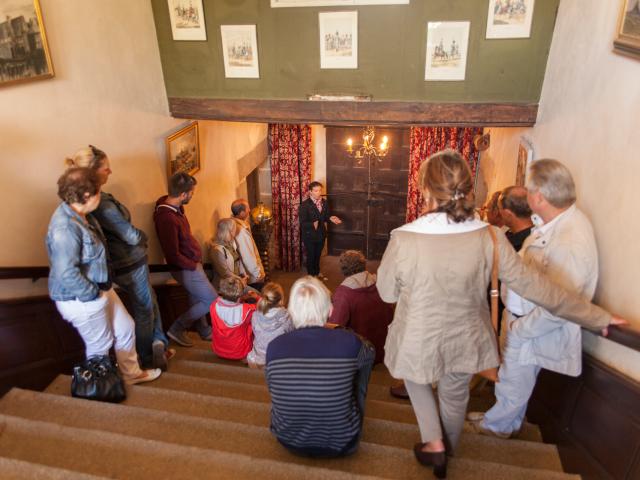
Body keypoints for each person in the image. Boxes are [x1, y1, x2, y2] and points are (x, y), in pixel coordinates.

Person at [375, 150, 626, 478]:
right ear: (467, 188)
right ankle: (446, 449)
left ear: (425, 189)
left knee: (416, 380)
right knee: (455, 394)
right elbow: (539, 288)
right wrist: (598, 318)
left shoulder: (404, 238)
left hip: (417, 335)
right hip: (467, 337)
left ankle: (433, 442)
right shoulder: (490, 236)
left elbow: (387, 292)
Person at [468, 160, 604, 439]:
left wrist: (520, 329)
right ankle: (499, 416)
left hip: (531, 326)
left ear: (539, 196)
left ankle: (499, 426)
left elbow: (563, 304)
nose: (526, 197)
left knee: (517, 379)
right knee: (510, 376)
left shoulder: (570, 240)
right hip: (519, 318)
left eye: (529, 191)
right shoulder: (553, 224)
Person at [46, 167, 161, 385]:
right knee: (100, 345)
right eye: (98, 191)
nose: (101, 194)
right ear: (87, 196)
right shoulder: (65, 227)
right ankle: (98, 390)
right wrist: (93, 294)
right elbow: (66, 273)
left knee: (126, 328)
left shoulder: (81, 214)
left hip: (100, 286)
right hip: (81, 297)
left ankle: (131, 374)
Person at [66, 145, 174, 371]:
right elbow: (129, 235)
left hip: (123, 262)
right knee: (144, 308)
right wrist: (143, 238)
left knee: (150, 300)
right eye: (106, 168)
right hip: (129, 263)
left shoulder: (95, 198)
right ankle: (146, 356)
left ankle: (159, 343)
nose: (110, 172)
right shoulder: (102, 204)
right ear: (94, 172)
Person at [265, 276, 375, 458]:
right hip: (343, 442)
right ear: (330, 310)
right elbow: (370, 352)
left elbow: (273, 387)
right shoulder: (350, 342)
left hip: (288, 439)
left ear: (291, 311)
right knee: (360, 366)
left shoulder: (274, 347)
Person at [154, 173, 216, 347]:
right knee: (211, 300)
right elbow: (172, 253)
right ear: (182, 194)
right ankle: (177, 328)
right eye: (191, 192)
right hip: (186, 267)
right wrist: (191, 265)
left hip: (191, 263)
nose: (192, 195)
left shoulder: (175, 208)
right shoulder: (166, 218)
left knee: (196, 299)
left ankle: (204, 331)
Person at [329, 250, 394, 364]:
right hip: (381, 349)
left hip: (359, 353)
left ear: (343, 269)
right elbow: (391, 314)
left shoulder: (344, 294)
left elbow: (336, 326)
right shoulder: (380, 284)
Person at [298, 181, 342, 280]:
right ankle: (311, 276)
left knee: (318, 255)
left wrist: (331, 218)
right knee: (311, 256)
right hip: (309, 236)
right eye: (316, 190)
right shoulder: (304, 205)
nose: (318, 192)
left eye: (320, 190)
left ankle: (317, 272)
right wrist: (312, 224)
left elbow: (325, 217)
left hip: (321, 234)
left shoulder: (324, 202)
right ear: (310, 192)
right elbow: (302, 223)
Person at [246, 282, 293, 368]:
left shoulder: (255, 315)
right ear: (281, 300)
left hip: (258, 359)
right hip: (277, 360)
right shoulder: (287, 317)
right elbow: (291, 334)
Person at [210, 276, 257, 361]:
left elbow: (230, 305)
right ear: (239, 296)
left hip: (218, 350)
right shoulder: (248, 310)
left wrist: (242, 298)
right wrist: (257, 297)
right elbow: (261, 309)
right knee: (254, 324)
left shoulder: (213, 306)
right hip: (241, 353)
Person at [231, 198, 265, 290]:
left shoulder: (236, 224)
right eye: (247, 208)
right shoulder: (241, 231)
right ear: (241, 212)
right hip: (252, 276)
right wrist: (257, 273)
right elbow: (247, 254)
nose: (249, 210)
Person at [207, 218, 248, 291]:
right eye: (233, 230)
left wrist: (243, 274)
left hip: (237, 282)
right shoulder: (216, 250)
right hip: (227, 287)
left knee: (255, 294)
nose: (234, 233)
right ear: (227, 231)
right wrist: (240, 280)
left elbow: (238, 260)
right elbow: (225, 273)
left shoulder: (230, 243)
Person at [498, 186, 534, 252]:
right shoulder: (539, 234)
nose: (499, 213)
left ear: (507, 214)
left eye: (500, 209)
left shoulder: (512, 247)